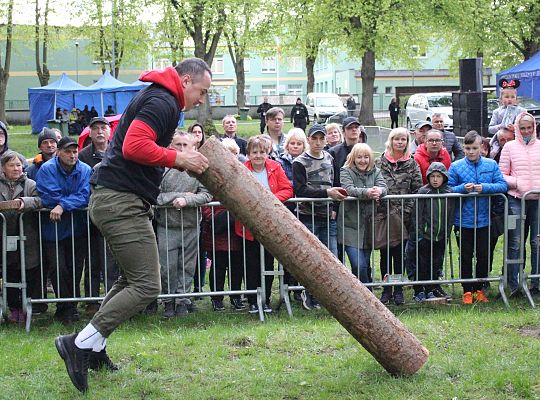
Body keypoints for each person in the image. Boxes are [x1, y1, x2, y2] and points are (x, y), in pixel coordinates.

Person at [54, 58, 211, 393]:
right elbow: (134, 146)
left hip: (116, 198)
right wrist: (180, 158)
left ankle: (94, 350)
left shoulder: (160, 98)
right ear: (185, 80)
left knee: (130, 279)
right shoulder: (163, 101)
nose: (202, 99)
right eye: (201, 91)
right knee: (147, 286)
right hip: (120, 200)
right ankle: (79, 344)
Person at [36, 137, 92, 324]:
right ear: (59, 152)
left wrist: (62, 205)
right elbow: (48, 195)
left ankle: (72, 307)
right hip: (53, 229)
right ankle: (64, 306)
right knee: (58, 267)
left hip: (77, 228)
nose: (72, 155)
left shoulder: (84, 169)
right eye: (68, 151)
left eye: (75, 151)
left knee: (75, 268)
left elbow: (85, 196)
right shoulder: (47, 169)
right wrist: (64, 203)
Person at [448, 130, 507, 304]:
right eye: (467, 148)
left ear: (481, 147)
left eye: (474, 148)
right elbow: (449, 189)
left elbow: (502, 185)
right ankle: (467, 291)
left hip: (485, 219)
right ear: (464, 148)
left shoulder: (491, 165)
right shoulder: (456, 166)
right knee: (465, 255)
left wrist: (485, 187)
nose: (471, 152)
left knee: (483, 255)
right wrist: (462, 189)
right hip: (463, 220)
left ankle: (479, 290)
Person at [235, 136, 293, 314]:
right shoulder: (242, 170)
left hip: (271, 224)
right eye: (254, 152)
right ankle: (253, 300)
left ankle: (266, 299)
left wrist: (269, 200)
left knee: (268, 263)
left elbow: (288, 189)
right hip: (247, 225)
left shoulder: (275, 167)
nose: (258, 155)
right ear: (248, 153)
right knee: (251, 264)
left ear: (268, 153)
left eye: (262, 152)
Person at [157, 131, 212, 318]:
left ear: (193, 147)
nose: (181, 149)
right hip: (167, 226)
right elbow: (155, 196)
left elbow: (206, 195)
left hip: (190, 226)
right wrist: (178, 197)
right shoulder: (162, 168)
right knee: (167, 267)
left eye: (185, 145)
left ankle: (183, 300)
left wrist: (188, 200)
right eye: (177, 145)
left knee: (187, 266)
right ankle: (168, 301)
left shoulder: (198, 170)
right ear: (171, 146)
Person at [293, 124, 347, 310]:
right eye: (314, 138)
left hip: (328, 216)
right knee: (311, 258)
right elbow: (300, 190)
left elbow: (337, 185)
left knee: (331, 257)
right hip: (308, 216)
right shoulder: (299, 162)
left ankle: (330, 297)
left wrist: (335, 206)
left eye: (321, 138)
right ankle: (309, 294)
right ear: (308, 139)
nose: (318, 142)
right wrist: (326, 194)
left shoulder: (330, 158)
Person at [375, 127, 423, 306]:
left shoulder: (412, 163)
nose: (400, 142)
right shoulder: (381, 161)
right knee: (385, 254)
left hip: (404, 216)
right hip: (385, 215)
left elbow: (417, 188)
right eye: (397, 139)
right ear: (391, 140)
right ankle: (387, 288)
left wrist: (407, 210)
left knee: (400, 255)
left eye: (403, 139)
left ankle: (398, 289)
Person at [78, 117, 119, 315]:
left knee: (111, 261)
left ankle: (112, 301)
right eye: (96, 129)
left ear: (110, 131)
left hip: (114, 215)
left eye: (103, 128)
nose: (100, 132)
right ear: (90, 133)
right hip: (91, 217)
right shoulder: (83, 155)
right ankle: (92, 301)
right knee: (92, 261)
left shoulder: (117, 151)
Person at [499, 112, 540, 296]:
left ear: (534, 128)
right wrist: (518, 182)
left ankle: (536, 282)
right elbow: (501, 174)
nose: (526, 131)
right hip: (516, 199)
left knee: (537, 242)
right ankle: (513, 284)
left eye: (529, 127)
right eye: (522, 128)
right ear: (517, 128)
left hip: (537, 201)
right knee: (515, 242)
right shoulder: (509, 147)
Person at [0, 151, 42, 324]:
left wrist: (26, 202)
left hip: (27, 235)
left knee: (28, 270)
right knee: (9, 272)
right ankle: (13, 307)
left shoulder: (30, 184)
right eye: (11, 165)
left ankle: (28, 306)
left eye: (18, 165)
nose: (16, 168)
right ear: (3, 168)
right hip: (4, 236)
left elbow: (41, 200)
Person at [339, 143, 387, 283]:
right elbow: (348, 189)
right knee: (358, 265)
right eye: (359, 157)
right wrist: (367, 192)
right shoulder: (346, 171)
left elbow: (383, 187)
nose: (363, 160)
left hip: (369, 225)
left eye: (366, 157)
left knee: (365, 265)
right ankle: (367, 294)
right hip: (350, 225)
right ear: (353, 158)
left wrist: (379, 191)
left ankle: (363, 295)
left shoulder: (376, 171)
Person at [412, 162, 455, 302]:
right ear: (428, 177)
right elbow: (417, 214)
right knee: (422, 263)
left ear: (444, 177)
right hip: (425, 235)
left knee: (436, 263)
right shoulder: (424, 192)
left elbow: (450, 214)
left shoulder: (448, 192)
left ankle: (431, 288)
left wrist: (447, 232)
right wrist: (419, 233)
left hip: (441, 236)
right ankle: (419, 290)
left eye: (439, 176)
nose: (435, 179)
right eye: (433, 176)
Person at [329, 117, 367, 261]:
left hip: (362, 205)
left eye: (356, 127)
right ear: (343, 131)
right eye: (350, 128)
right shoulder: (334, 152)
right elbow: (332, 179)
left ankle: (365, 280)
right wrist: (333, 206)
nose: (354, 130)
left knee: (362, 252)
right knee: (338, 248)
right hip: (340, 205)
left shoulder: (365, 150)